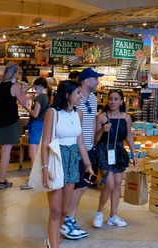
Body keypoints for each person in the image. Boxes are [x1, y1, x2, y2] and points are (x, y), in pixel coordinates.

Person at [41, 80, 95, 248]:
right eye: (78, 93)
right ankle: (53, 244)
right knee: (56, 210)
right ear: (67, 95)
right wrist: (45, 168)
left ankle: (52, 239)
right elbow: (44, 143)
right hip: (56, 160)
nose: (81, 95)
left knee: (65, 210)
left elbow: (80, 143)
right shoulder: (53, 113)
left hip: (73, 161)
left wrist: (88, 165)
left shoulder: (79, 113)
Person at [61, 67, 102, 239]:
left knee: (84, 185)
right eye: (95, 79)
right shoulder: (71, 102)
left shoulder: (93, 99)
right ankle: (66, 220)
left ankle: (69, 219)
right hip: (73, 149)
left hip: (88, 149)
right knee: (72, 186)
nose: (98, 82)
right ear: (86, 81)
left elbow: (92, 122)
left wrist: (92, 142)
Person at [0, 64, 33, 190]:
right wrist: (22, 89)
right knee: (6, 151)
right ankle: (2, 181)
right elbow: (24, 103)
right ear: (14, 74)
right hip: (10, 122)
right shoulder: (14, 86)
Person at [91, 90, 137, 228]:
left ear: (122, 101)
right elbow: (95, 139)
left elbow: (128, 136)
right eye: (110, 99)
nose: (113, 102)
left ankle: (113, 216)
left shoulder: (126, 118)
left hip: (118, 152)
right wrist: (102, 130)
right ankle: (99, 213)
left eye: (116, 99)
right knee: (109, 184)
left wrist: (134, 155)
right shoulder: (101, 117)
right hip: (103, 151)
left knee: (117, 185)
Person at [21, 77, 51, 190]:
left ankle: (33, 179)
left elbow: (35, 114)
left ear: (39, 86)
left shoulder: (40, 98)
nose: (35, 89)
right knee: (40, 153)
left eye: (35, 87)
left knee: (33, 154)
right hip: (44, 126)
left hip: (36, 126)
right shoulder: (48, 97)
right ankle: (39, 177)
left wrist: (26, 107)